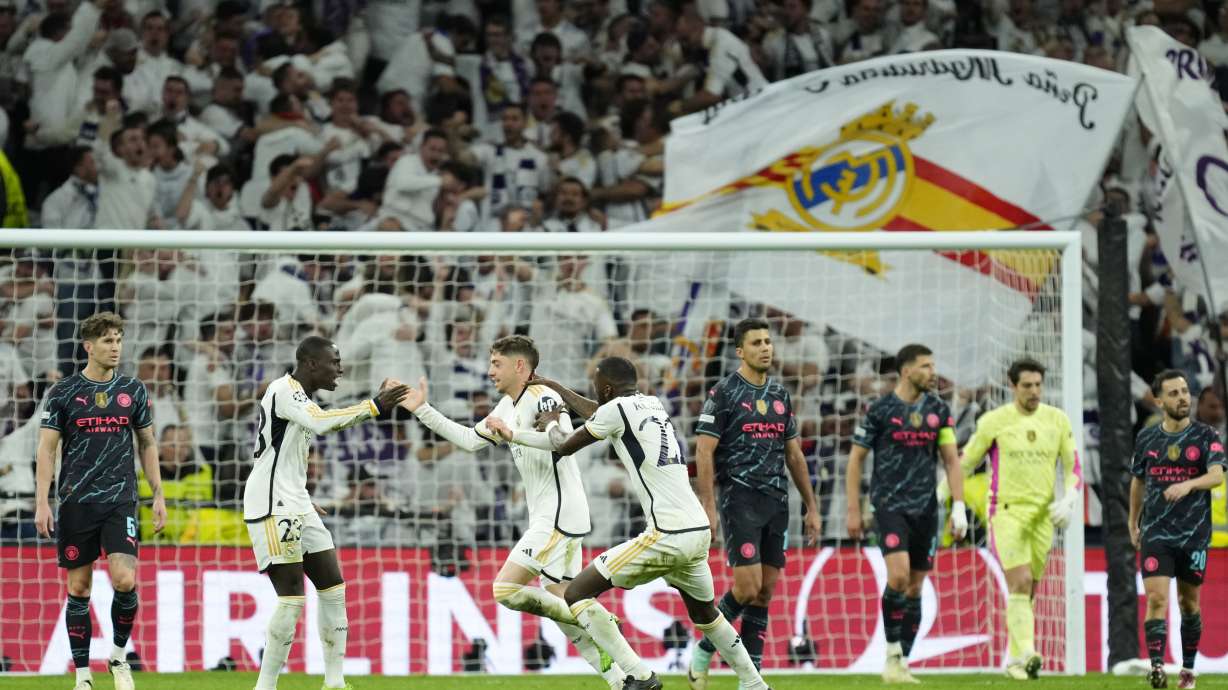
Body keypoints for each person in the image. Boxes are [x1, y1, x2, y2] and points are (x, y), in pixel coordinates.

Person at [489, 356, 777, 690]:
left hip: (666, 533)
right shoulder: (649, 403)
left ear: (607, 387)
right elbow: (599, 410)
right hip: (696, 530)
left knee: (579, 592)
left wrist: (553, 420)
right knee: (706, 616)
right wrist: (553, 386)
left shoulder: (615, 410)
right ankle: (756, 685)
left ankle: (639, 676)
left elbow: (564, 445)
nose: (596, 391)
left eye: (598, 385)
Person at [400, 335, 624, 689]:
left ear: (520, 366)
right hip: (553, 515)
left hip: (558, 515)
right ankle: (622, 679)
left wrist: (514, 434)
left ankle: (602, 622)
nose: (489, 371)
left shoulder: (545, 396)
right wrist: (421, 409)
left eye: (496, 363)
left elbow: (564, 440)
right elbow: (469, 441)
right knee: (565, 611)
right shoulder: (508, 404)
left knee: (505, 589)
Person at [241, 335, 410, 690]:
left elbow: (287, 455)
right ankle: (265, 685)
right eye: (335, 362)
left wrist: (301, 493)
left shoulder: (300, 397)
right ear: (311, 364)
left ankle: (334, 681)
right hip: (272, 505)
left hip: (296, 501)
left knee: (333, 588)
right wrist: (374, 405)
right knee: (291, 598)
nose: (341, 369)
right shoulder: (284, 390)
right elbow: (320, 423)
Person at [33, 311, 167, 690]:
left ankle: (119, 658)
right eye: (108, 341)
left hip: (120, 499)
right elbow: (46, 450)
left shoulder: (134, 390)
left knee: (124, 580)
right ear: (88, 346)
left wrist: (158, 495)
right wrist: (42, 501)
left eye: (119, 340)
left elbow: (147, 443)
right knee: (79, 589)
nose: (115, 347)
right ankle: (83, 677)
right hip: (76, 501)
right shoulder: (63, 393)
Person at [688, 318, 822, 689]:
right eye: (757, 342)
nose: (766, 347)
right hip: (739, 500)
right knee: (745, 588)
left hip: (777, 503)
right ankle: (703, 650)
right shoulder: (725, 393)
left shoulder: (780, 395)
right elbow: (704, 450)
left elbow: (794, 454)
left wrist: (811, 506)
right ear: (740, 351)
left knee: (764, 592)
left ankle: (752, 678)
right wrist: (710, 506)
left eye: (768, 341)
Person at [846, 343, 968, 683]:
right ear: (906, 371)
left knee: (914, 588)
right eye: (926, 366)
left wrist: (958, 505)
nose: (932, 372)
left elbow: (951, 459)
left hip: (926, 509)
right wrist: (853, 508)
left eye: (933, 365)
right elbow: (856, 459)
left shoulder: (938, 410)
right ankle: (891, 653)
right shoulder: (881, 410)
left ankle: (903, 662)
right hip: (889, 506)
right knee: (898, 577)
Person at [959, 358, 1081, 680]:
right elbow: (965, 462)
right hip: (1007, 512)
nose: (1034, 391)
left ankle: (1015, 660)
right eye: (1027, 385)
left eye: (1038, 385)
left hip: (1044, 516)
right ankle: (1027, 650)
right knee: (1021, 581)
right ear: (1012, 386)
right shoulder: (994, 421)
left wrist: (1069, 499)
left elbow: (1073, 468)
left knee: (1029, 591)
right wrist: (953, 503)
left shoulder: (1057, 420)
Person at [1130, 370, 1225, 690]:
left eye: (1185, 391)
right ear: (1158, 401)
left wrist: (1187, 485)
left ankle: (1187, 670)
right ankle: (1157, 668)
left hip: (1193, 534)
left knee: (1189, 604)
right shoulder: (1146, 438)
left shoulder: (1206, 435)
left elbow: (1216, 476)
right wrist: (1133, 521)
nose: (1183, 397)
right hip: (1156, 532)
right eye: (1174, 393)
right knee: (1156, 598)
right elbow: (1138, 482)